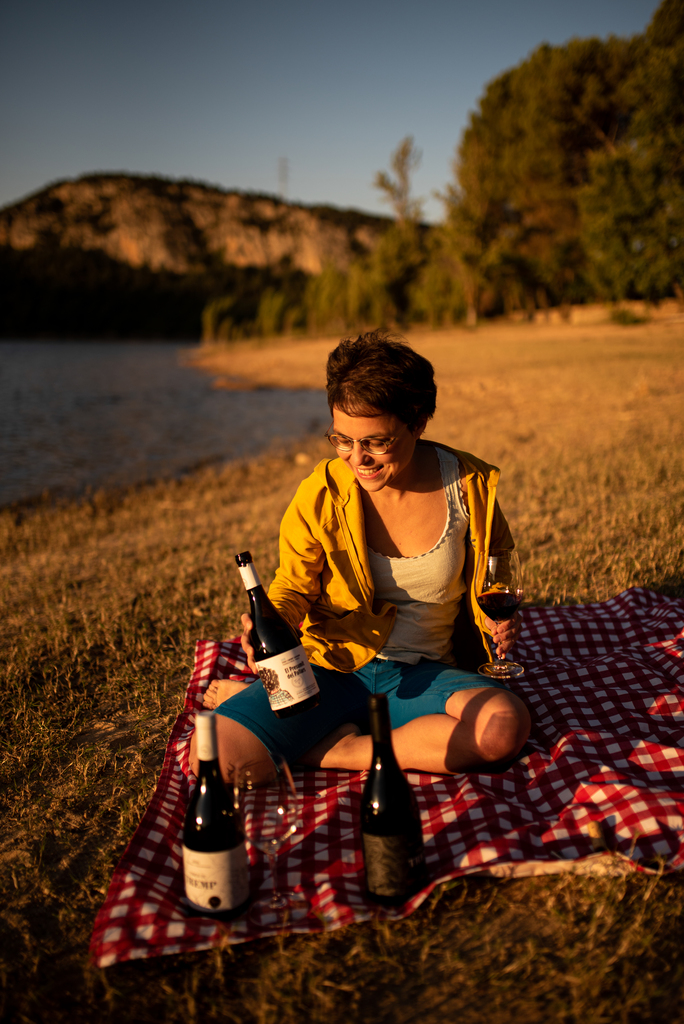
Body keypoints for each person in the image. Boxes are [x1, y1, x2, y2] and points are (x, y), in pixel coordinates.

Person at [192, 331, 530, 785]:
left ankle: (342, 748)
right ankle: (347, 728)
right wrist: (274, 619)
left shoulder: (469, 487)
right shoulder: (321, 492)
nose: (358, 459)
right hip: (333, 669)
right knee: (216, 758)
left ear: (418, 422)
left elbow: (496, 567)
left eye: (377, 442)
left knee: (503, 729)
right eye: (342, 440)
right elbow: (293, 585)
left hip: (429, 675)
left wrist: (497, 620)